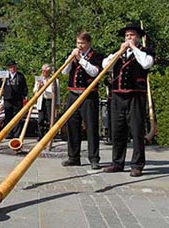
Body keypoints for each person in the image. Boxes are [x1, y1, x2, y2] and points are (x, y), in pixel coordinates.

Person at [102, 22, 154, 177]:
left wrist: (135, 48)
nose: (129, 38)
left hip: (135, 96)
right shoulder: (118, 53)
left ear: (138, 37)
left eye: (132, 35)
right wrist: (119, 51)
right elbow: (105, 66)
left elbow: (146, 64)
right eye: (127, 35)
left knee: (137, 131)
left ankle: (137, 164)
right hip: (117, 95)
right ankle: (117, 162)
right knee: (117, 130)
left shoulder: (145, 51)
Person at [61, 31, 103, 170]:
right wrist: (70, 58)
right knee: (72, 126)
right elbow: (64, 72)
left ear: (89, 43)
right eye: (78, 43)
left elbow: (94, 72)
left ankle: (94, 158)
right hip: (73, 94)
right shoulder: (73, 55)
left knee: (91, 126)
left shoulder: (96, 56)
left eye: (82, 43)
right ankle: (73, 157)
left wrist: (81, 59)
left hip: (88, 95)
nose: (80, 46)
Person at [0, 60, 28, 139]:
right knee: (8, 116)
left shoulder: (20, 76)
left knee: (17, 117)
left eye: (14, 67)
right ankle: (8, 133)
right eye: (11, 67)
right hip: (7, 99)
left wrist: (24, 96)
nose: (13, 68)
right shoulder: (4, 75)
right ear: (8, 68)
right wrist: (1, 95)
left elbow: (24, 87)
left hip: (17, 99)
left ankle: (16, 134)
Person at [33, 64, 60, 141]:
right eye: (42, 71)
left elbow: (56, 92)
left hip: (49, 100)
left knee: (50, 119)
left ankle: (50, 135)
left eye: (45, 71)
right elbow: (34, 91)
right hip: (41, 100)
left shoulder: (54, 79)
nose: (43, 72)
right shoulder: (39, 79)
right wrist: (39, 86)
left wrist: (57, 103)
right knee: (40, 119)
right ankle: (40, 135)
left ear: (49, 72)